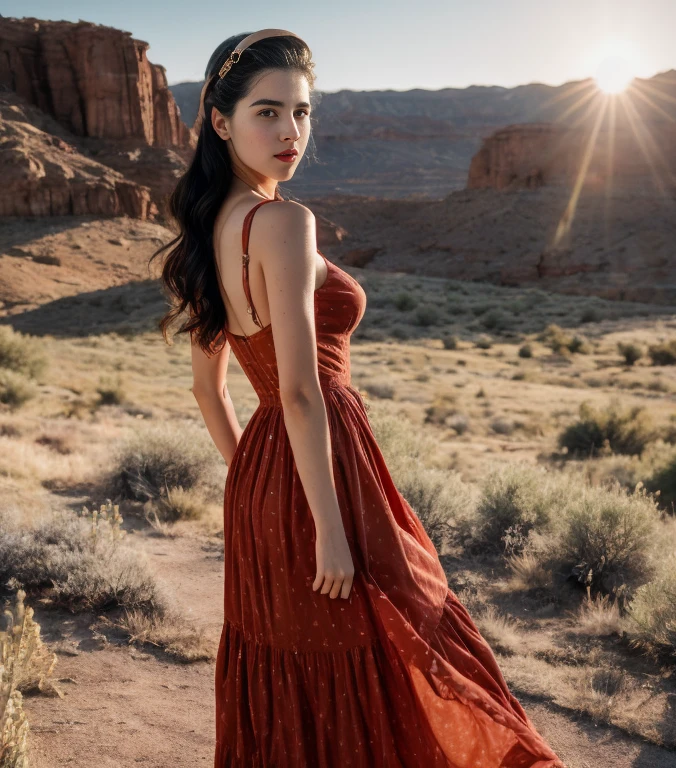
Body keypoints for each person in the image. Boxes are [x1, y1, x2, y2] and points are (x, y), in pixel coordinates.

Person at [150, 28, 565, 768]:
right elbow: (304, 393)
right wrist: (327, 527)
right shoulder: (283, 221)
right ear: (220, 120)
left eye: (302, 113)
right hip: (328, 477)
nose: (291, 132)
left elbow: (210, 391)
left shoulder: (208, 229)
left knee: (306, 662)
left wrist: (258, 476)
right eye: (268, 112)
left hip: (266, 485)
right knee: (401, 637)